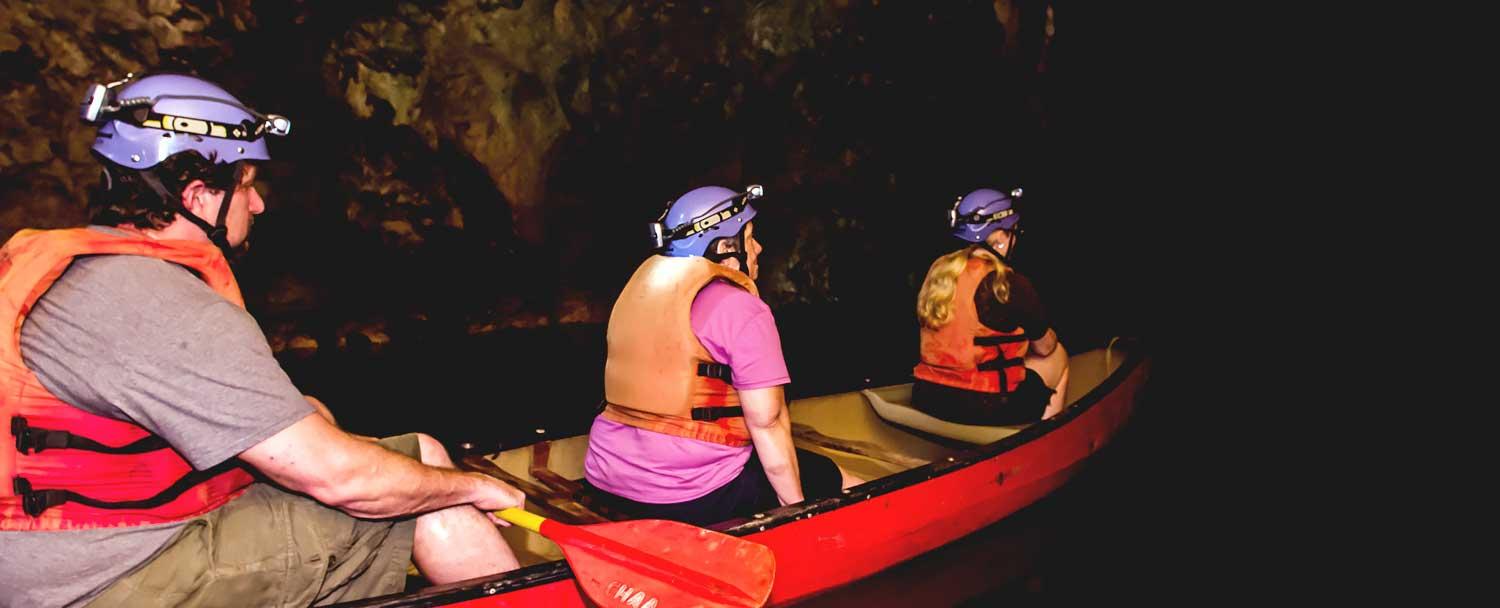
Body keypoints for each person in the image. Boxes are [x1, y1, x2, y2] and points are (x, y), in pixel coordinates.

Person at [0, 73, 524, 608]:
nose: (257, 205)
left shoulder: (75, 269)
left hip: (40, 563)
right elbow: (343, 482)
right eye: (246, 185)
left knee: (414, 459)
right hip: (101, 581)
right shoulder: (166, 305)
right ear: (198, 195)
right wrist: (477, 487)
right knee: (423, 500)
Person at [582, 184, 861, 527]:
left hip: (603, 478)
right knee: (837, 478)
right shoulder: (742, 308)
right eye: (750, 237)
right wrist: (797, 512)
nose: (759, 248)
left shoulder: (636, 297)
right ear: (726, 247)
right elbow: (767, 423)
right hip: (689, 496)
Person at [910, 187, 1071, 426]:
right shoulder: (1006, 282)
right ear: (1001, 237)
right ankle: (1047, 437)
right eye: (1013, 231)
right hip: (984, 405)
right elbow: (1046, 347)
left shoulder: (938, 271)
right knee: (1058, 354)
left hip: (928, 396)